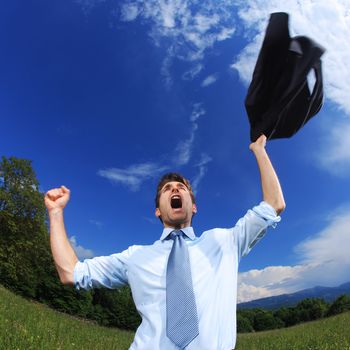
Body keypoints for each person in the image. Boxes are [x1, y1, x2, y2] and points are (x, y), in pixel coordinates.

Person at [44, 134, 285, 350]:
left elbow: (273, 205)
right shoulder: (135, 257)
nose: (175, 190)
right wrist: (55, 213)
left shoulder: (225, 242)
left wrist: (259, 150)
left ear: (194, 206)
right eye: (167, 189)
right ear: (158, 211)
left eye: (181, 187)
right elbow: (72, 273)